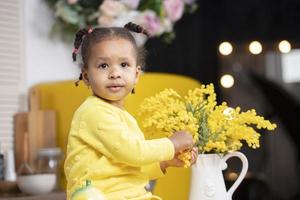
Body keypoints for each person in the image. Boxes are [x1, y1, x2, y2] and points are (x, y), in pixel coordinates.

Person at [64, 22, 198, 200]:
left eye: (124, 64)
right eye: (103, 66)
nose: (115, 73)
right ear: (87, 76)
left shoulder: (124, 117)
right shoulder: (93, 112)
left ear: (136, 75)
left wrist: (165, 163)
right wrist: (171, 144)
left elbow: (130, 167)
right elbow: (135, 152)